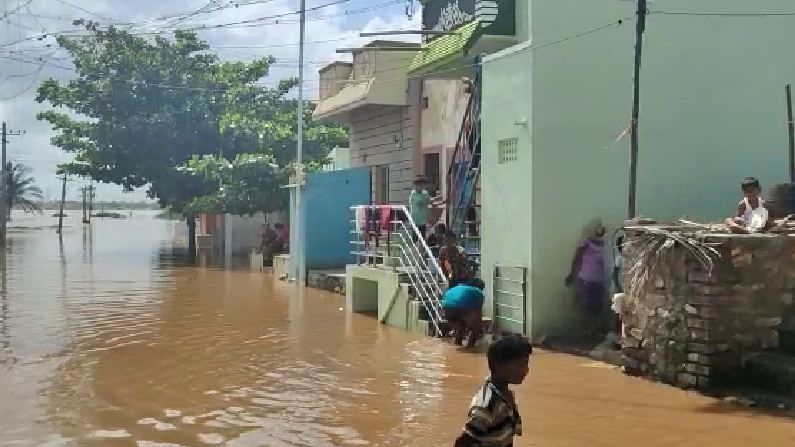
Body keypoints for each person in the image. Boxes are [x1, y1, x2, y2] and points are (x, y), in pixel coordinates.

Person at [454, 335, 532, 447]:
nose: (525, 370)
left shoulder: (506, 395)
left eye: (526, 364)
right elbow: (462, 442)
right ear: (498, 366)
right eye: (518, 365)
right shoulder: (487, 405)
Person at [565, 218, 607, 333]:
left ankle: (594, 329)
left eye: (601, 227)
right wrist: (572, 274)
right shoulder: (585, 242)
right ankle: (588, 329)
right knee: (588, 305)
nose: (599, 230)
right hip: (586, 278)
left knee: (598, 306)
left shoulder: (604, 243)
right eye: (597, 227)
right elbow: (577, 258)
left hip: (599, 279)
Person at [441, 279, 486, 347]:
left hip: (447, 309)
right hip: (460, 308)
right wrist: (478, 327)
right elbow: (478, 312)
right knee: (477, 326)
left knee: (461, 326)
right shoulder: (478, 292)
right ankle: (471, 347)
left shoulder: (456, 288)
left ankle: (457, 344)